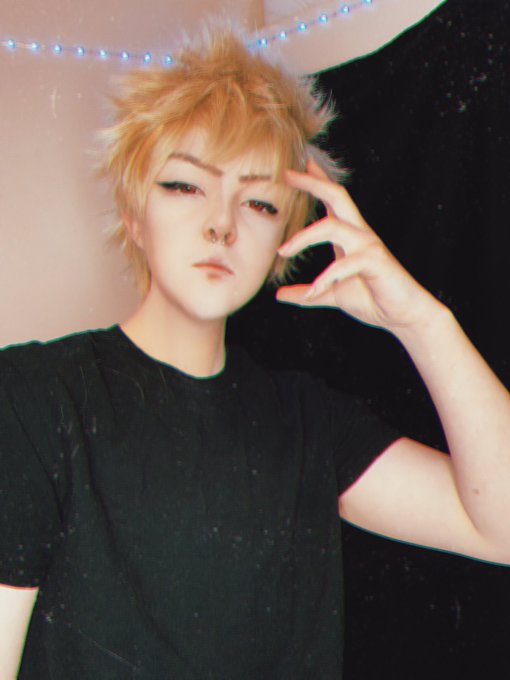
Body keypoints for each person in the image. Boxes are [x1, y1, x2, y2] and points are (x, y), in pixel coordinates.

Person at [0, 30, 509, 680]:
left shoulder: (309, 422)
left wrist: (422, 321)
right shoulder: (33, 398)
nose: (222, 224)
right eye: (185, 186)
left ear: (284, 240)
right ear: (133, 215)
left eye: (260, 202)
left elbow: (502, 527)